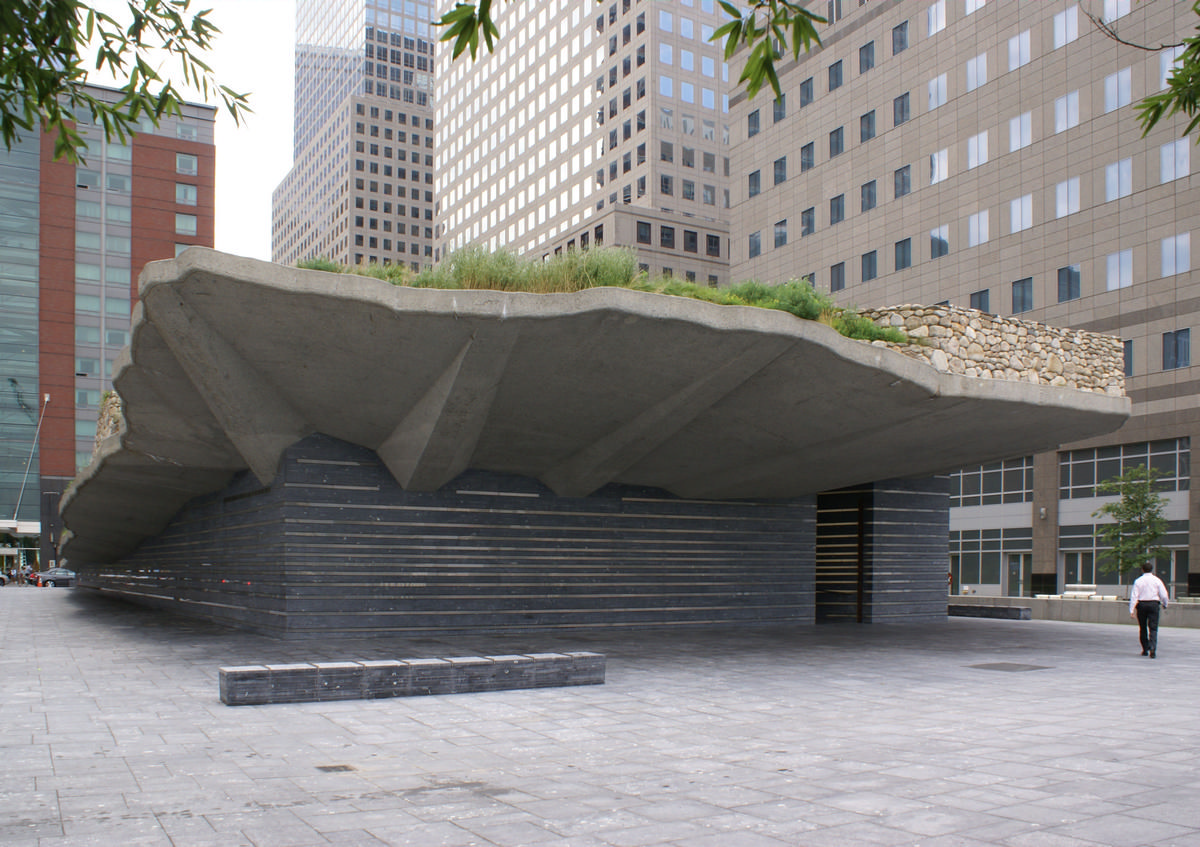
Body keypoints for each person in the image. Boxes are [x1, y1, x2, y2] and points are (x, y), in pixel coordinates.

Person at [1129, 562, 1170, 658]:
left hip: (1142, 605)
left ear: (1142, 569)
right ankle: (1153, 648)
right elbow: (1164, 594)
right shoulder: (1157, 580)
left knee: (1143, 628)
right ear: (1152, 569)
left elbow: (1134, 596)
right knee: (1153, 628)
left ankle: (1145, 649)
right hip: (1154, 604)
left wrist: (1131, 610)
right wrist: (1165, 604)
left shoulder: (1138, 581)